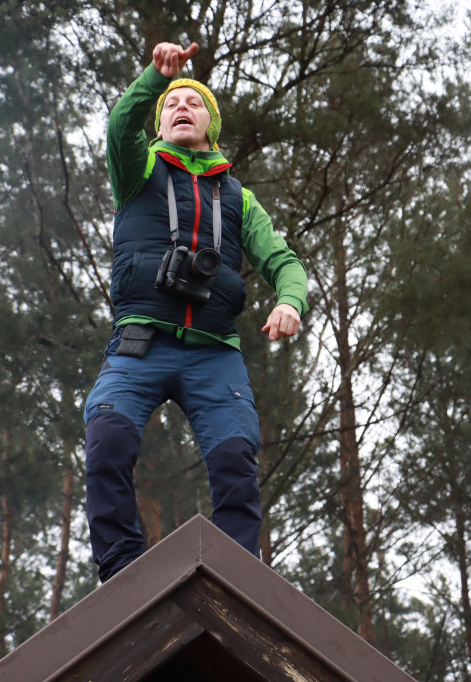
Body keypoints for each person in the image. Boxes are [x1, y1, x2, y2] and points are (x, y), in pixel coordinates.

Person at [84, 41, 308, 582]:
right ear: (159, 122)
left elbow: (284, 260)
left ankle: (235, 578)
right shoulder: (137, 170)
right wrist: (155, 80)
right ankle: (122, 573)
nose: (180, 106)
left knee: (235, 460)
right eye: (171, 104)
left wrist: (289, 302)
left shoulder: (239, 198)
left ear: (212, 123)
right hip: (140, 345)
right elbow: (120, 126)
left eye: (193, 102)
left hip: (214, 354)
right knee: (107, 440)